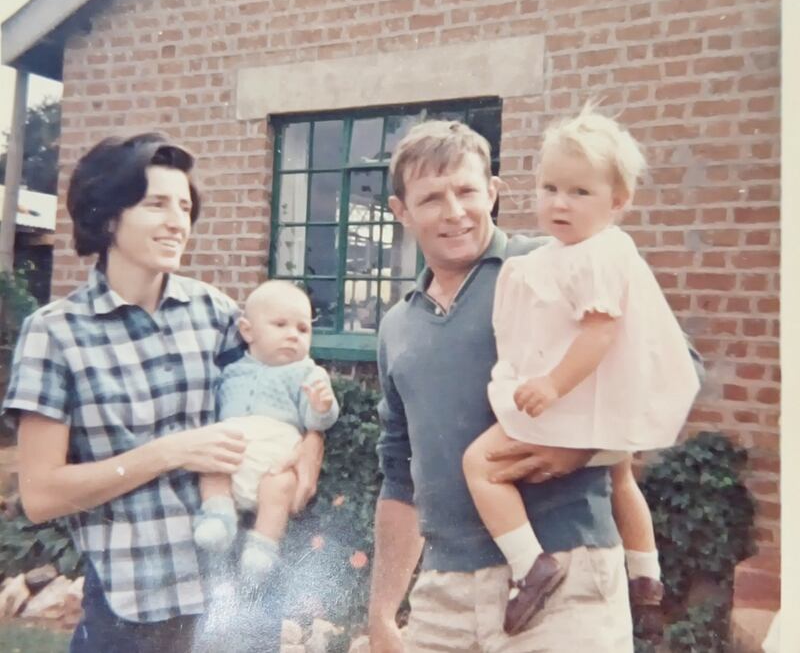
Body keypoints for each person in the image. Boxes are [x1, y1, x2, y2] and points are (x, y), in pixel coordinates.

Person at [2, 133, 324, 653]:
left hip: (234, 597)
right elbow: (40, 495)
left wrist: (310, 449)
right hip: (134, 608)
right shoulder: (56, 333)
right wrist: (168, 453)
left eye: (184, 205)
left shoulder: (216, 314)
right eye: (156, 204)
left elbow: (292, 386)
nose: (178, 220)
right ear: (108, 216)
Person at [369, 120, 635, 652]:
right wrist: (380, 611)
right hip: (442, 594)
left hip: (565, 571)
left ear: (492, 192)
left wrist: (578, 447)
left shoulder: (555, 261)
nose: (454, 212)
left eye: (467, 191)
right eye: (431, 199)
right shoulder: (397, 327)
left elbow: (669, 366)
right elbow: (400, 477)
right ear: (401, 213)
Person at [462, 105, 699, 636]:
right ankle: (646, 575)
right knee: (619, 476)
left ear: (618, 202)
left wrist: (549, 383)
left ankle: (530, 565)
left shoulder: (596, 254)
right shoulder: (559, 255)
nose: (559, 203)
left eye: (579, 192)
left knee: (479, 464)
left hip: (572, 403)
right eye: (549, 188)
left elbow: (600, 332)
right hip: (599, 410)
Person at [193, 280, 339, 582]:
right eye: (280, 325)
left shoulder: (307, 372)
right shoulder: (230, 372)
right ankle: (218, 518)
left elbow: (317, 423)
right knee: (211, 468)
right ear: (248, 332)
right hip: (233, 450)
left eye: (302, 329)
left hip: (276, 456)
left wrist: (322, 406)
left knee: (281, 486)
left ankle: (262, 546)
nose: (292, 335)